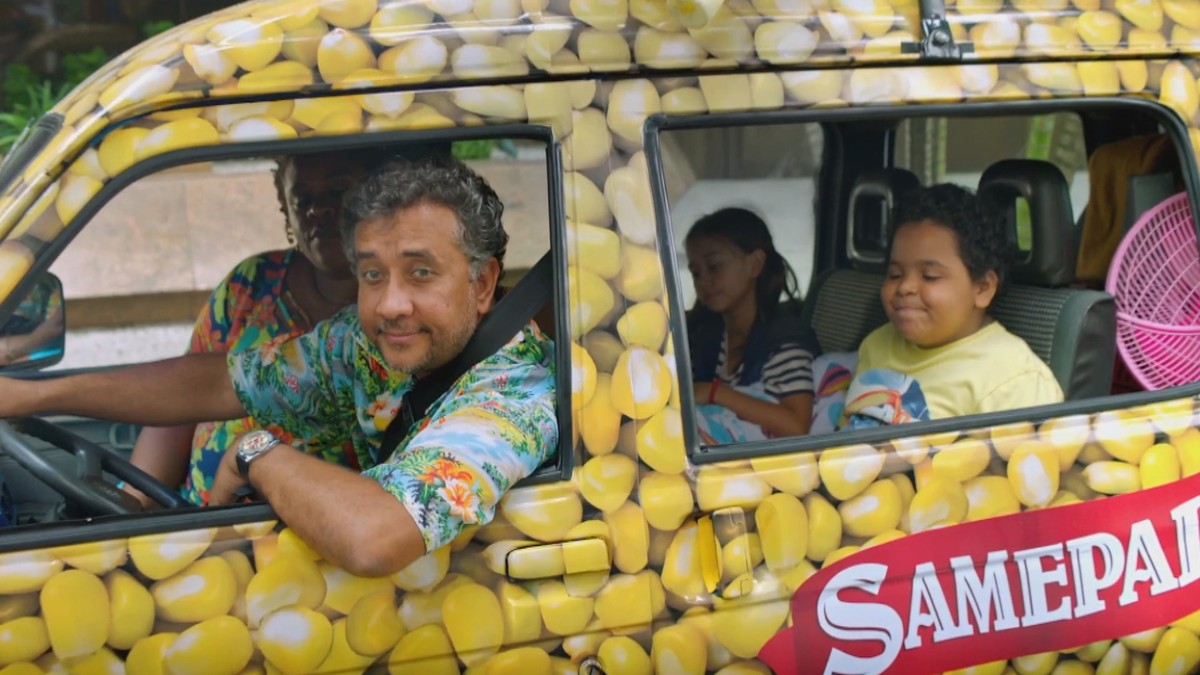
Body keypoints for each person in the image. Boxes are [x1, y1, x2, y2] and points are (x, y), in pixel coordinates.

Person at [0, 156, 557, 576]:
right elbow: (222, 380)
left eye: (420, 273)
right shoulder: (367, 343)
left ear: (482, 284)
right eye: (371, 275)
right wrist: (32, 396)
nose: (390, 304)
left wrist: (256, 454)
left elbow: (375, 537)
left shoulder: (515, 396)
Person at [126, 149, 387, 508]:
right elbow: (181, 403)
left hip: (302, 548)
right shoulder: (250, 284)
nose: (317, 209)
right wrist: (134, 513)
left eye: (337, 191)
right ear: (286, 211)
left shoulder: (396, 314)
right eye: (302, 198)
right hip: (193, 524)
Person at [841, 184, 1063, 429]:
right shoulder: (876, 344)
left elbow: (1028, 462)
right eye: (894, 274)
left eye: (930, 276)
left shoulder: (1012, 379)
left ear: (982, 288)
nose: (905, 287)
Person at [684, 207, 815, 444]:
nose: (703, 281)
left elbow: (796, 425)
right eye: (695, 273)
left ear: (755, 264)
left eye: (713, 266)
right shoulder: (705, 336)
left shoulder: (782, 342)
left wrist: (714, 393)